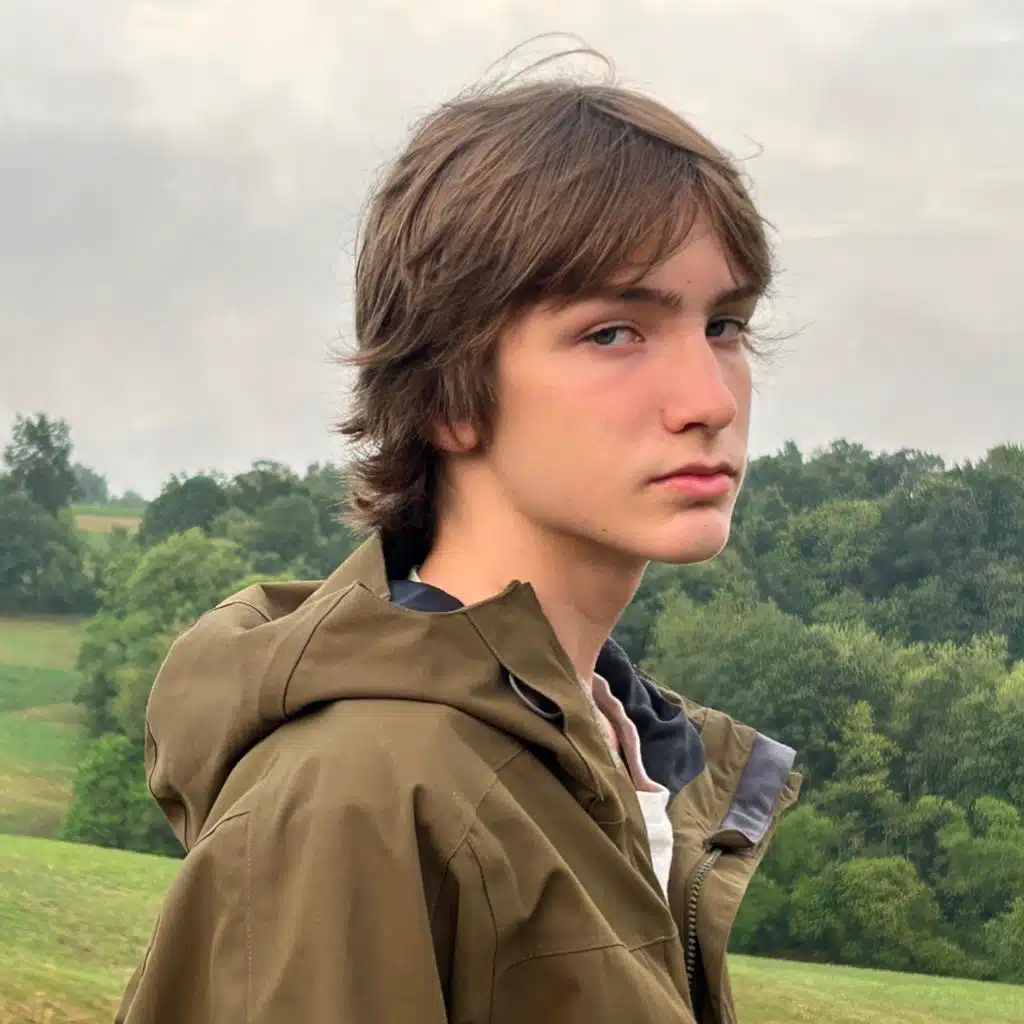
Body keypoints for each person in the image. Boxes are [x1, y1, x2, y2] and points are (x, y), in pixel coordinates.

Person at [117, 51, 801, 1024]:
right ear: (447, 393)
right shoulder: (363, 794)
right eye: (613, 332)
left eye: (724, 325)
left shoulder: (622, 759)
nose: (708, 399)